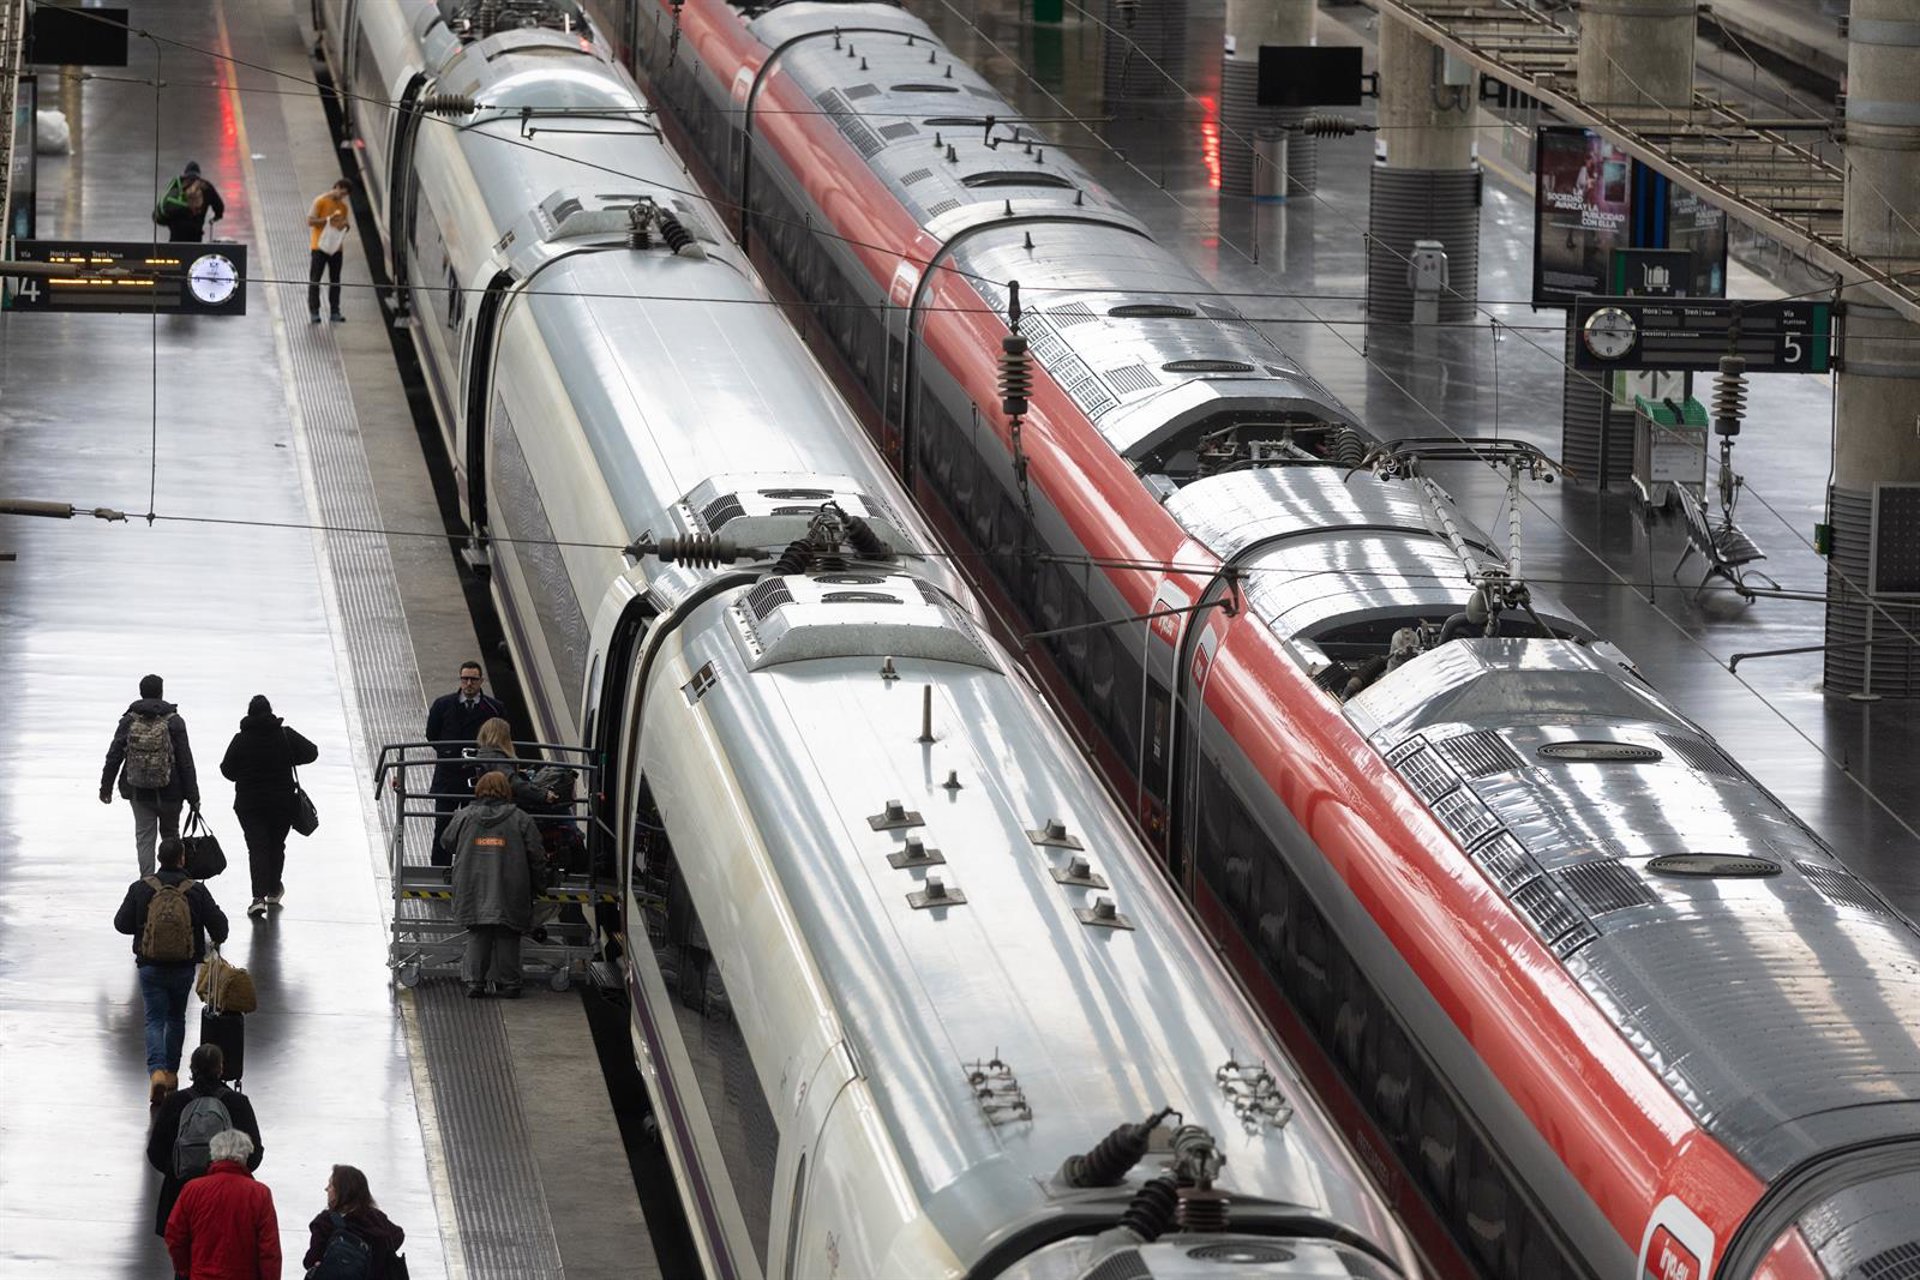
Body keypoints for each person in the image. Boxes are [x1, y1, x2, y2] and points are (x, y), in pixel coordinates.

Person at [114, 836, 229, 1107]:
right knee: (176, 1018)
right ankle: (171, 1074)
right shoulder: (195, 890)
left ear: (158, 858)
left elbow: (121, 923)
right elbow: (220, 928)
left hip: (150, 966)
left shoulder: (141, 888)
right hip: (182, 967)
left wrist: (144, 926)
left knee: (154, 1020)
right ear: (182, 859)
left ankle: (155, 1072)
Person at [442, 771, 545, 998]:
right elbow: (536, 855)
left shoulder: (464, 816)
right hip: (512, 886)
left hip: (472, 885)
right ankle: (510, 983)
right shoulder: (521, 819)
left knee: (478, 931)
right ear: (507, 791)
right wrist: (540, 885)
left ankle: (475, 983)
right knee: (508, 932)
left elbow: (447, 842)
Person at [148, 1043, 264, 1239]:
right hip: (227, 1197)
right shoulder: (238, 1103)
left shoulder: (175, 1102)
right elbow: (254, 1153)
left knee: (185, 1251)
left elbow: (155, 1152)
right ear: (221, 1069)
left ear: (192, 1068)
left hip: (180, 1194)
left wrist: (176, 1171)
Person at [220, 694, 320, 918]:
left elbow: (227, 770)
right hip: (281, 803)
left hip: (249, 805)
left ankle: (258, 898)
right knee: (276, 845)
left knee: (257, 847)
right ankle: (274, 888)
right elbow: (312, 752)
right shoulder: (284, 735)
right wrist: (290, 758)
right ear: (270, 712)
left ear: (249, 714)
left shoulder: (241, 740)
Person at [101, 673, 202, 877]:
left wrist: (106, 787)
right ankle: (172, 880)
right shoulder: (174, 721)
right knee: (171, 836)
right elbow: (185, 761)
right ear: (161, 693)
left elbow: (114, 755)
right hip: (171, 792)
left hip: (139, 791)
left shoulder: (129, 720)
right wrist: (193, 796)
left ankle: (147, 881)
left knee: (144, 838)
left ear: (141, 693)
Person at [165, 1129, 280, 1280]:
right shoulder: (260, 1193)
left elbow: (175, 1236)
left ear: (214, 1154)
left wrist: (185, 1269)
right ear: (245, 1155)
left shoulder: (192, 1189)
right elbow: (269, 1250)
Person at [423, 662, 505, 863]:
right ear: (460, 680)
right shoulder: (442, 705)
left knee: (475, 829)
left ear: (481, 681)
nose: (469, 683)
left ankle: (468, 869)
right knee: (442, 825)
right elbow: (432, 734)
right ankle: (439, 870)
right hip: (448, 776)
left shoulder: (494, 708)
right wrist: (448, 752)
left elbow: (502, 738)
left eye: (473, 679)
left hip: (478, 779)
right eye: (465, 679)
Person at [302, 1165, 406, 1279]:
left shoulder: (325, 1222)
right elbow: (398, 1236)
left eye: (331, 1185)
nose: (326, 1189)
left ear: (341, 1191)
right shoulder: (377, 1218)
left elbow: (310, 1260)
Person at [306, 177, 353, 324]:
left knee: (335, 281)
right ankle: (314, 312)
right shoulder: (320, 201)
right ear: (336, 187)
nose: (342, 197)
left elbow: (344, 225)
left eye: (345, 195)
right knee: (315, 280)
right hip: (319, 247)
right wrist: (327, 220)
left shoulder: (343, 207)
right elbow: (310, 221)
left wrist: (345, 226)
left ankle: (335, 311)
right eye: (342, 193)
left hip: (336, 248)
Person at [153, 160, 225, 243]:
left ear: (185, 173)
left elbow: (166, 202)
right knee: (194, 249)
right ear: (199, 174)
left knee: (175, 248)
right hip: (195, 232)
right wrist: (216, 217)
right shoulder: (207, 186)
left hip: (176, 232)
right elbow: (219, 206)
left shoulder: (178, 184)